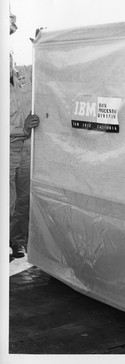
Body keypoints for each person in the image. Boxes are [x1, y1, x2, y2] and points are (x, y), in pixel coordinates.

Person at [10, 13, 40, 259]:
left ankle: (18, 240)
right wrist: (23, 128)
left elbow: (44, 68)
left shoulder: (22, 74)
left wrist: (42, 46)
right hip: (8, 148)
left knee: (24, 199)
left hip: (26, 148)